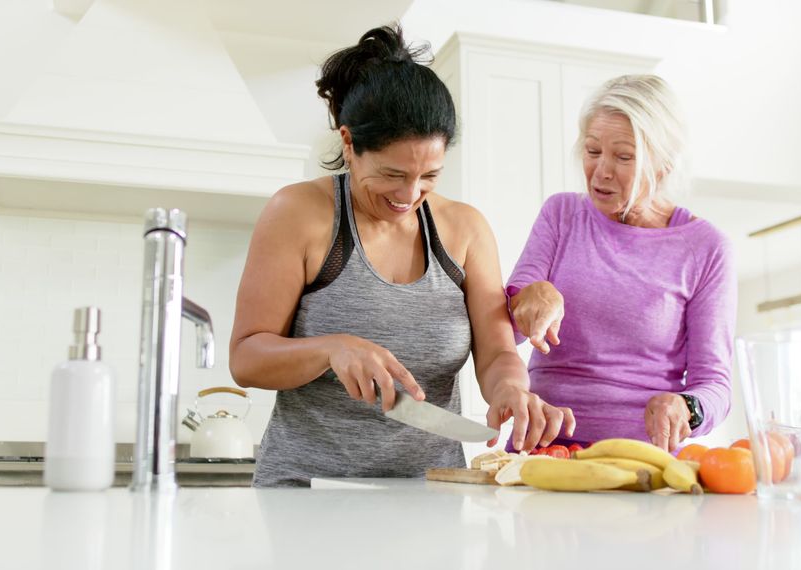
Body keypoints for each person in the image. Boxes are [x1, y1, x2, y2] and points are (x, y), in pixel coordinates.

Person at [229, 24, 574, 487]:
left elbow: (496, 355)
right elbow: (247, 358)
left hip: (432, 492)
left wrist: (512, 389)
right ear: (349, 143)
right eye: (392, 173)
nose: (409, 194)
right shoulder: (298, 214)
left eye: (430, 175)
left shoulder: (466, 230)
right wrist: (332, 348)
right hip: (305, 493)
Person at [505, 74, 736, 453]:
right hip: (544, 450)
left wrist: (686, 407)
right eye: (593, 151)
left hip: (638, 461)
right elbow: (507, 329)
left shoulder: (706, 248)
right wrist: (528, 297)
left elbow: (714, 383)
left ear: (663, 164)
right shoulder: (561, 215)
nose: (602, 171)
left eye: (624, 157)